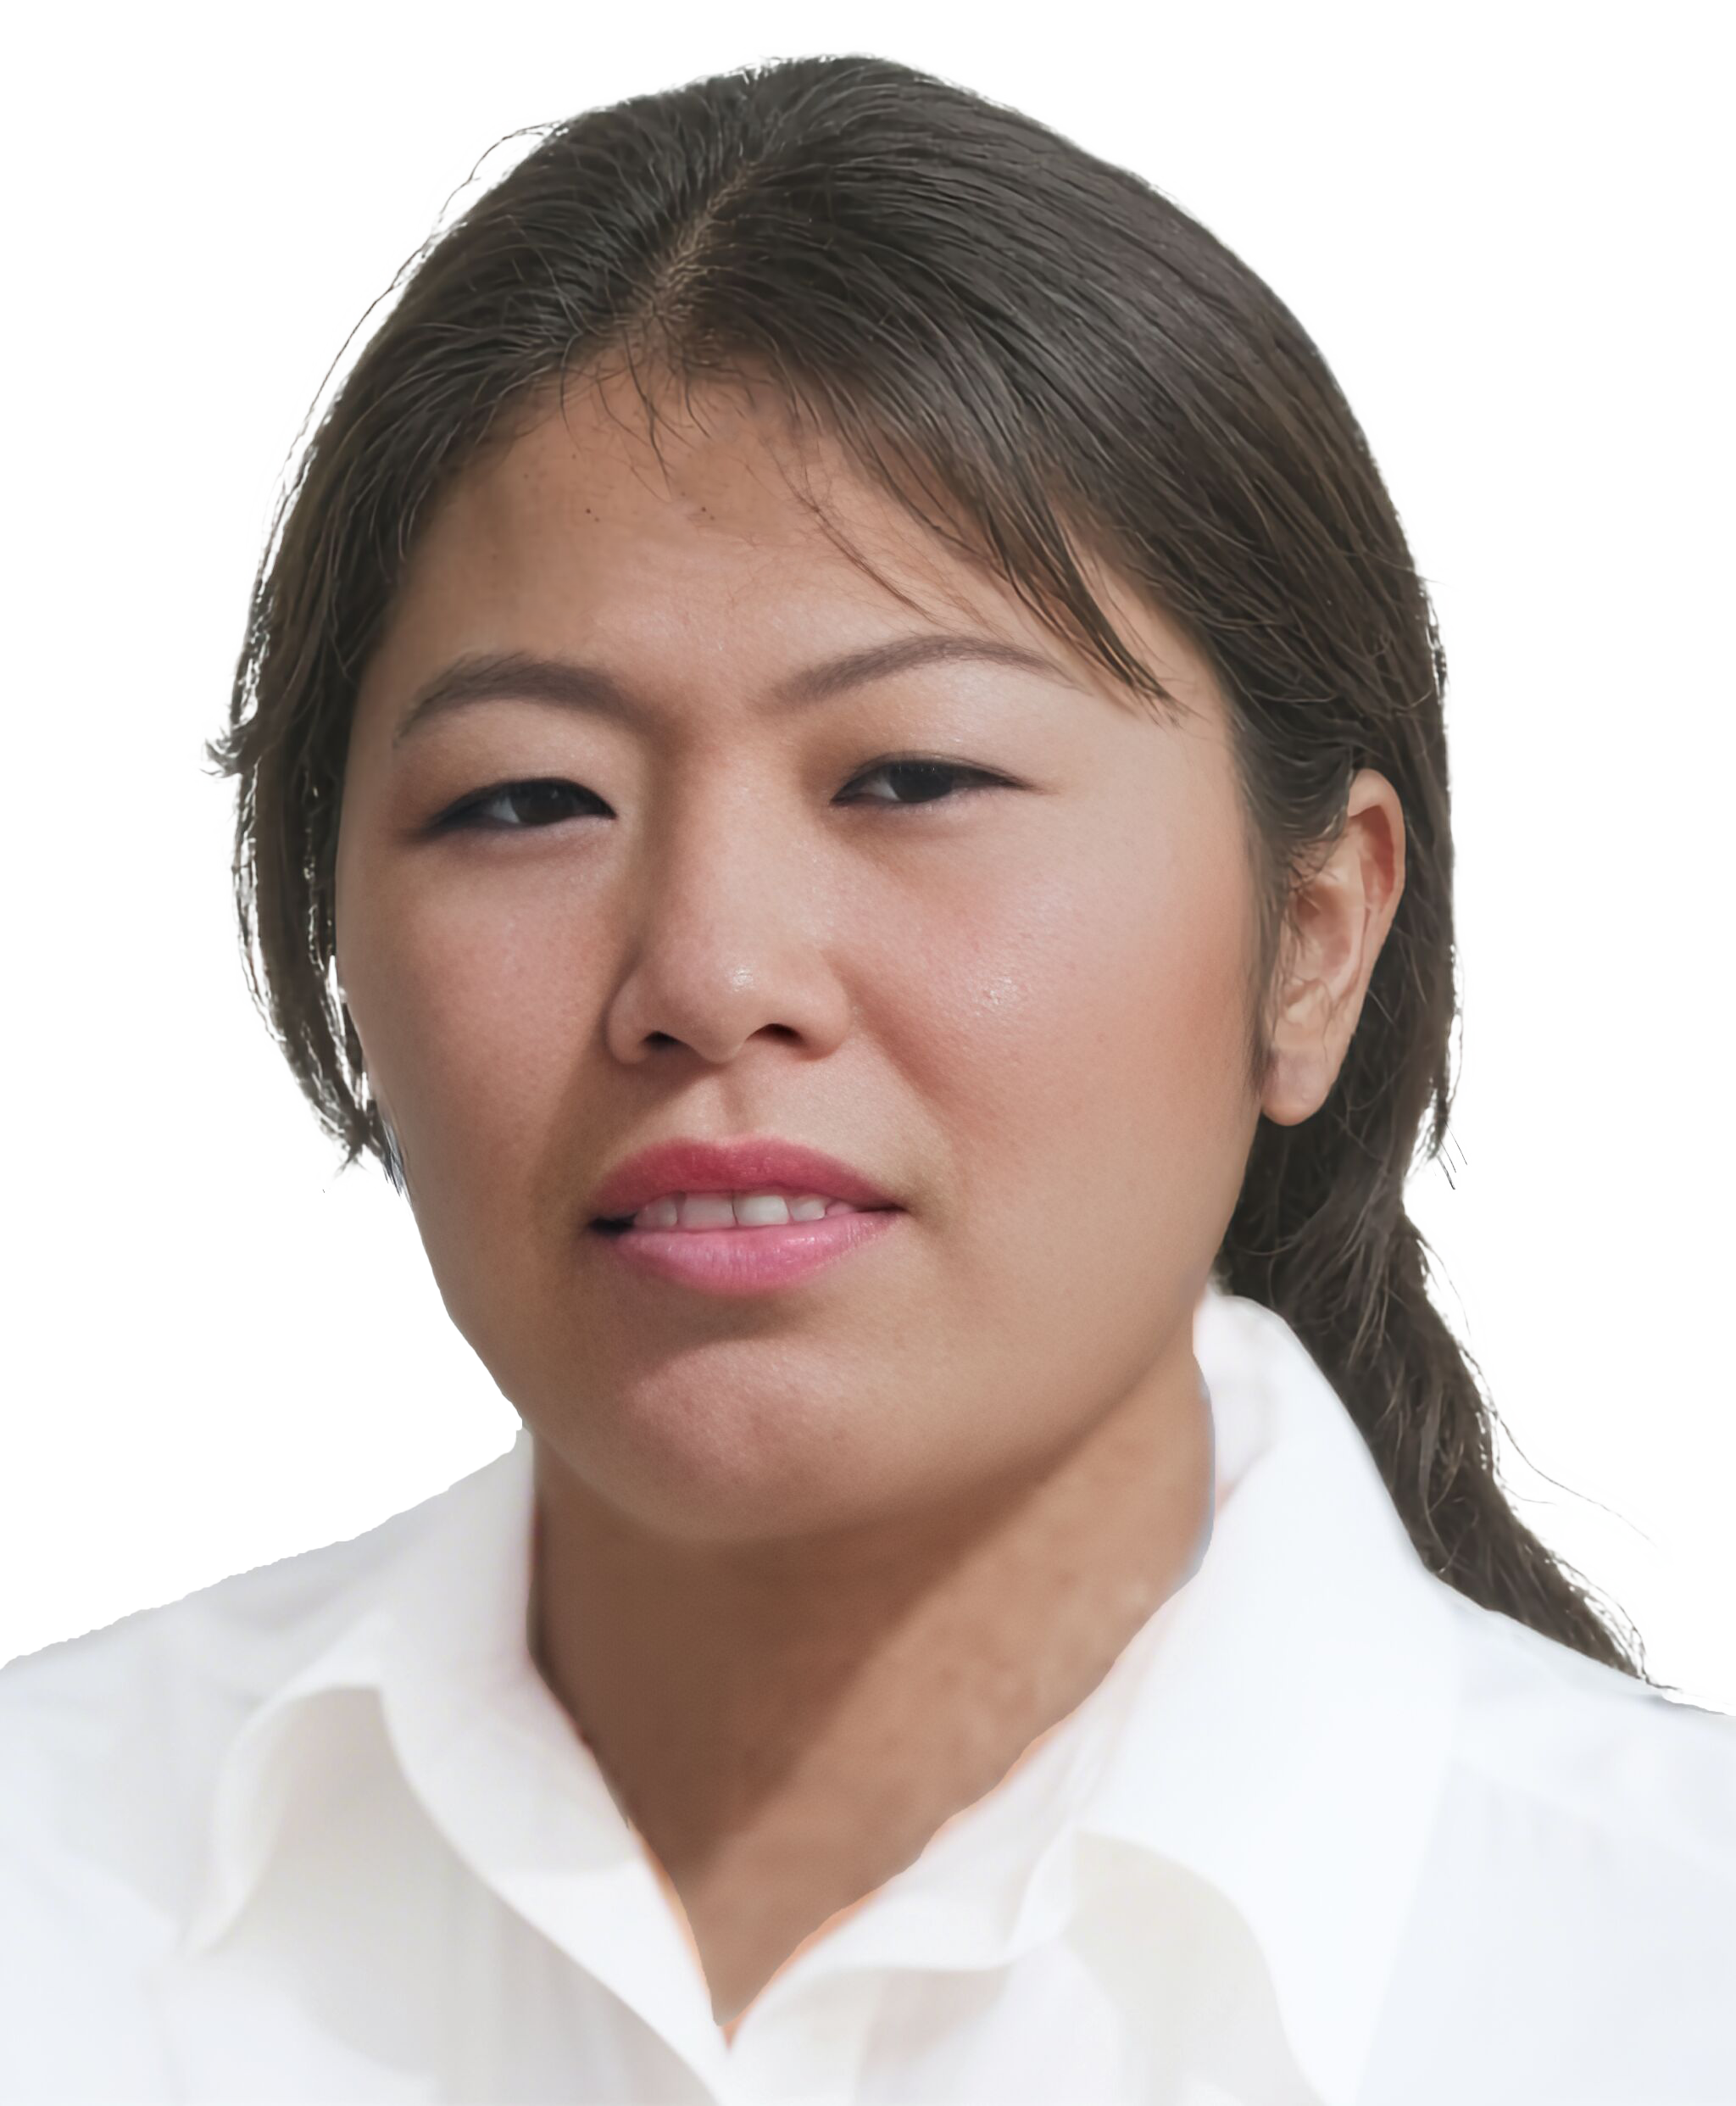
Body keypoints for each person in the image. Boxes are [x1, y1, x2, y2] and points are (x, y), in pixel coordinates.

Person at [3, 47, 1733, 2106]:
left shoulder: (1665, 1977)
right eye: (529, 798)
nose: (708, 977)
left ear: (1313, 935)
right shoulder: (57, 1903)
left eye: (913, 776)